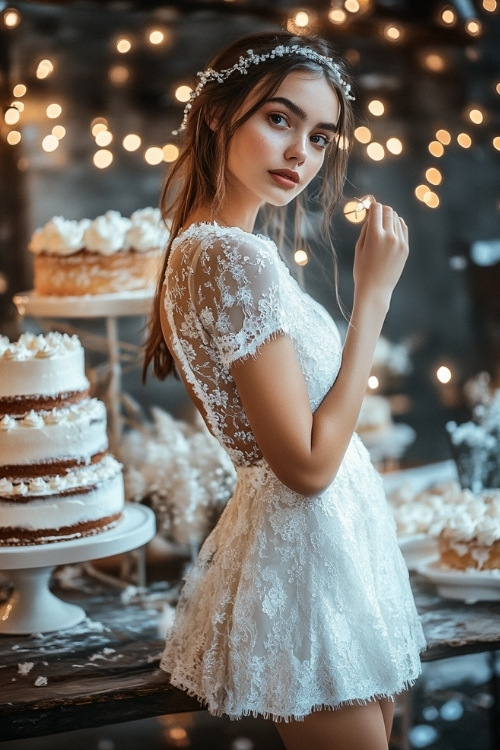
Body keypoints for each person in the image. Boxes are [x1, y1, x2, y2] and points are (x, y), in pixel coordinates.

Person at [143, 29, 426, 750]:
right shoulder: (230, 259)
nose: (302, 151)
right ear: (217, 114)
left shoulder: (223, 249)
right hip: (306, 560)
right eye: (279, 119)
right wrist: (373, 302)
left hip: (332, 548)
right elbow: (304, 466)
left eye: (322, 135)